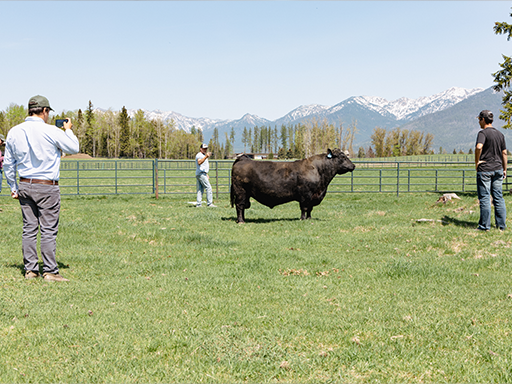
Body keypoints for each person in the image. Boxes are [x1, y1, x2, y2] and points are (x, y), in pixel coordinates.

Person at [3, 95, 79, 281]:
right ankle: (50, 271)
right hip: (46, 186)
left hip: (25, 184)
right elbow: (73, 147)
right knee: (48, 229)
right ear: (45, 111)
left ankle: (31, 269)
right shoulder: (51, 131)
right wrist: (67, 130)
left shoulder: (14, 131)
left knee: (29, 228)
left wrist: (13, 187)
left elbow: (8, 164)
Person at [474, 109, 507, 231]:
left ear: (483, 120)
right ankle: (501, 226)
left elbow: (479, 147)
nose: (479, 122)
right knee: (498, 197)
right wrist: (504, 169)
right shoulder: (500, 134)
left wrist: (477, 161)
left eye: (479, 120)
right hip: (498, 169)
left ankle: (484, 226)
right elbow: (504, 153)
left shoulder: (482, 133)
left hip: (485, 170)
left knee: (485, 198)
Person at [195, 143, 216, 207]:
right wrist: (206, 156)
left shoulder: (202, 155)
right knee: (208, 188)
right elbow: (199, 162)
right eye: (204, 148)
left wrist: (206, 173)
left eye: (206, 148)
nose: (205, 150)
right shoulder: (199, 155)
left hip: (201, 173)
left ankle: (198, 204)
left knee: (200, 189)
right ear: (200, 149)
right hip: (201, 174)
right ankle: (209, 203)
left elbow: (203, 166)